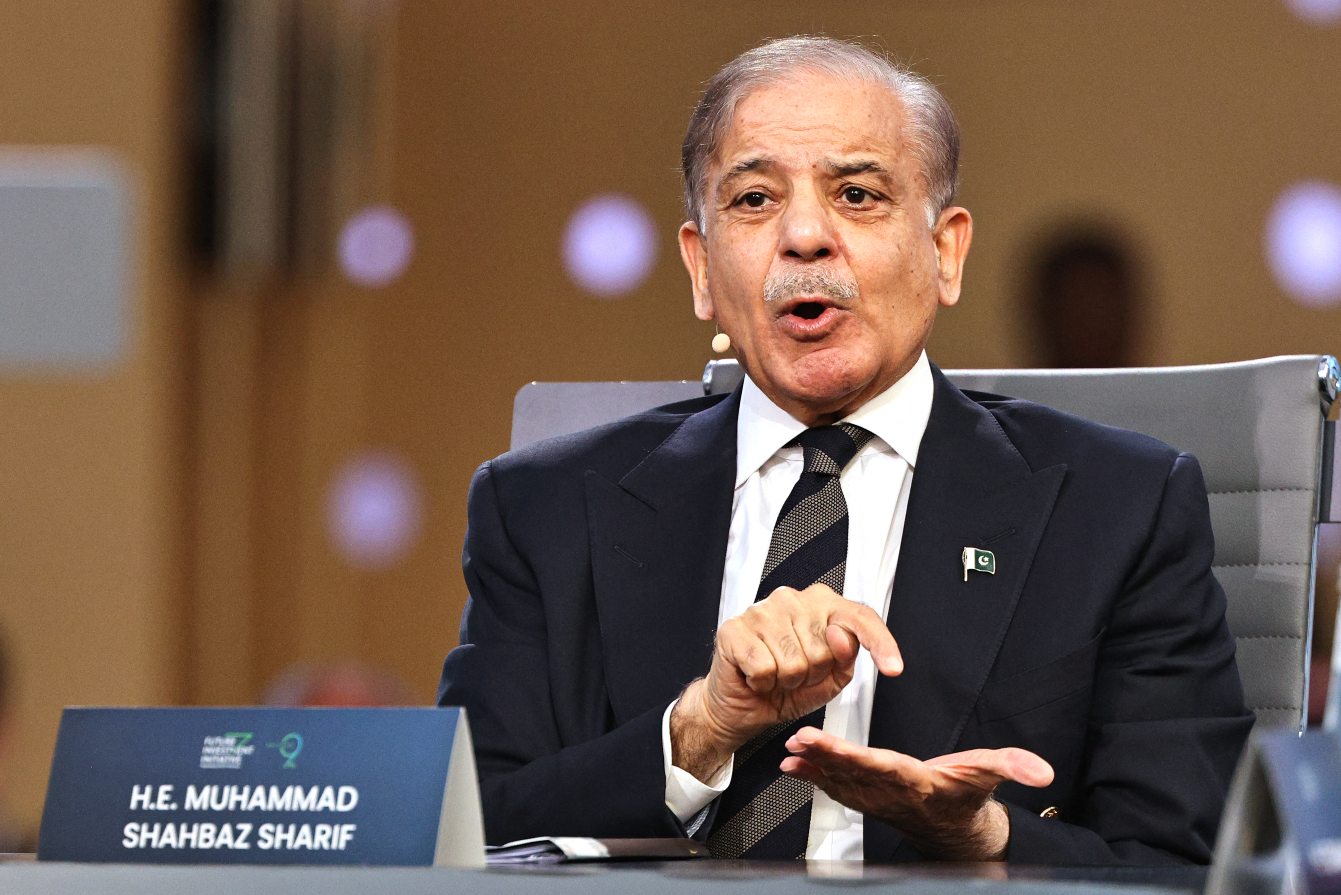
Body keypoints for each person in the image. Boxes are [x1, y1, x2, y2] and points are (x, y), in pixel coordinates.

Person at [438, 36, 1253, 864]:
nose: (803, 235)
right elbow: (460, 833)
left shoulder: (1120, 509)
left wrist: (982, 834)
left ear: (945, 252)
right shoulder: (539, 508)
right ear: (701, 268)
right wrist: (698, 729)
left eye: (856, 194)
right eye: (754, 199)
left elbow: (1178, 863)